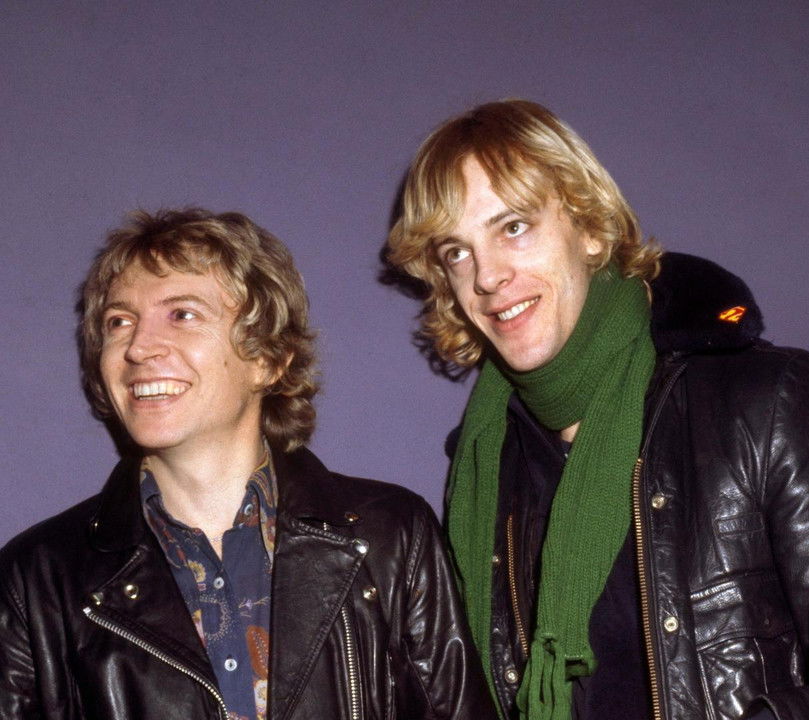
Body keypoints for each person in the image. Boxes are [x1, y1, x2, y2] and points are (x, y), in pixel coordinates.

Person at [385, 100, 809, 720]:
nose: (487, 276)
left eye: (513, 227)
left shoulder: (767, 403)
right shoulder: (485, 466)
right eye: (457, 252)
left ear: (590, 228)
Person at [0, 209, 492, 719]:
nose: (139, 347)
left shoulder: (390, 535)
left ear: (268, 359)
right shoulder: (38, 578)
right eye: (118, 322)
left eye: (182, 314)